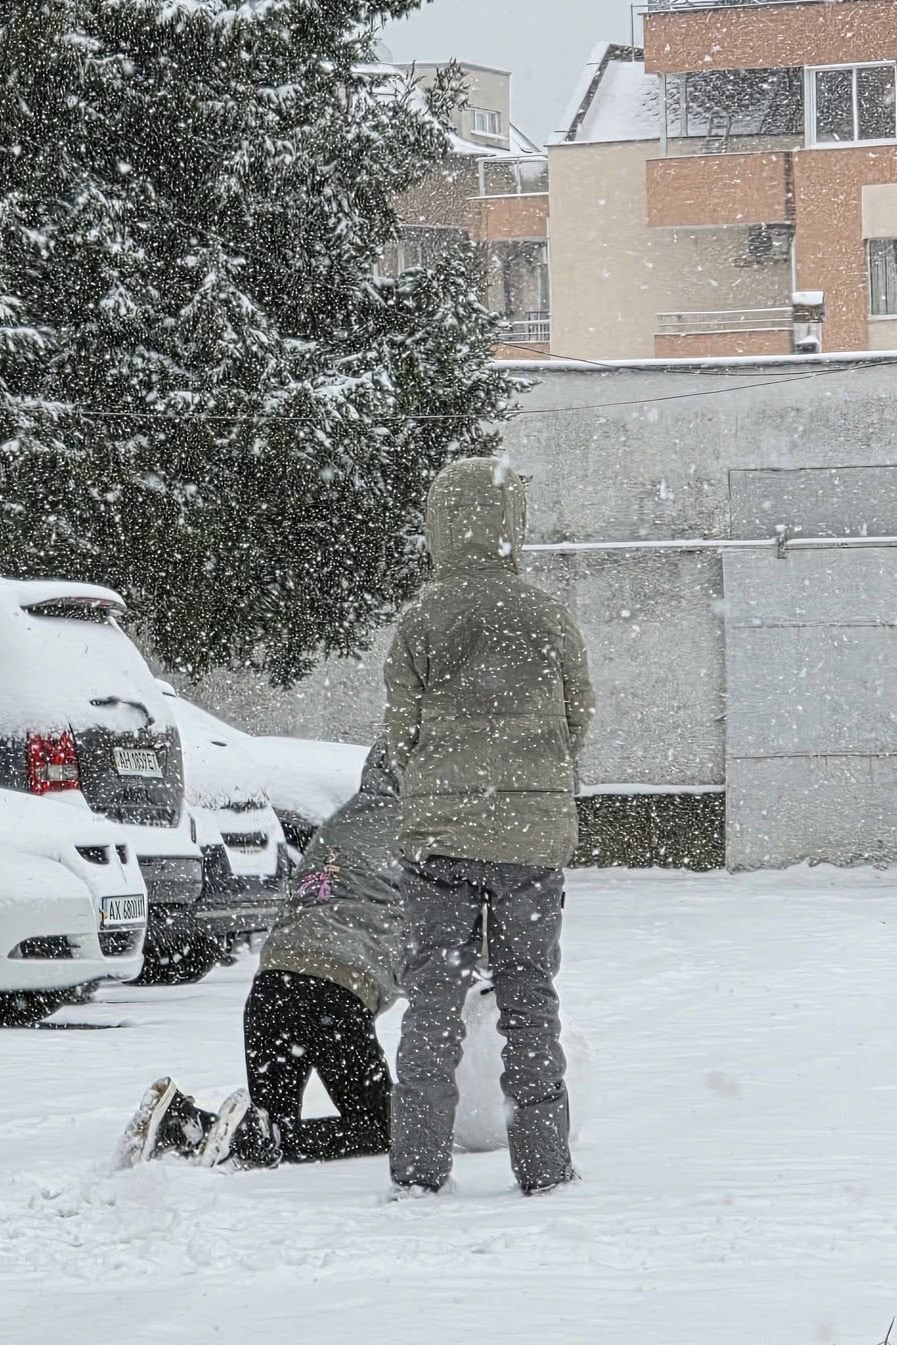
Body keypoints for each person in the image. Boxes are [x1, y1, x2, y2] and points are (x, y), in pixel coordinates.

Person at [382, 456, 593, 1197]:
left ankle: (417, 1170)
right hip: (530, 841)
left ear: (441, 523)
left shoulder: (422, 618)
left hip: (440, 840)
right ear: (511, 523)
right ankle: (542, 1165)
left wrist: (442, 779)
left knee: (431, 1006)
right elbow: (578, 718)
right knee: (530, 1000)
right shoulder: (546, 613)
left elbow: (399, 732)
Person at [119, 749, 405, 1171]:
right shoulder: (428, 832)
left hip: (273, 987)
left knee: (265, 1127)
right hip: (335, 993)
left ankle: (182, 1124)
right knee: (388, 1128)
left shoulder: (346, 822)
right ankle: (250, 1135)